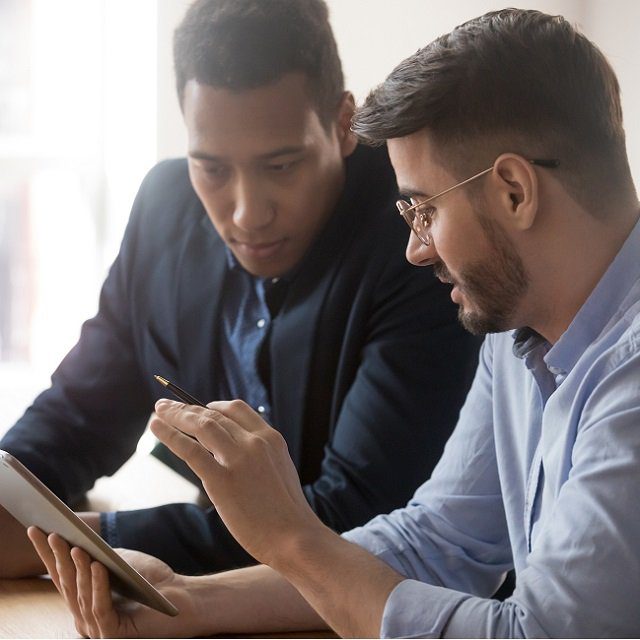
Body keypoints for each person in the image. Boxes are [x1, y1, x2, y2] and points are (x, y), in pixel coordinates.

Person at [30, 6, 640, 638]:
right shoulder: (518, 329)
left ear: (514, 191)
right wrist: (190, 601)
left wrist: (292, 538)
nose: (416, 249)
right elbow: (435, 541)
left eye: (424, 211)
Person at [0, 0, 480, 579]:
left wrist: (75, 543)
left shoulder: (417, 239)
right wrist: (10, 493)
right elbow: (81, 414)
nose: (248, 214)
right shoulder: (163, 208)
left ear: (344, 124)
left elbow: (354, 515)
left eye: (281, 167)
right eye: (213, 169)